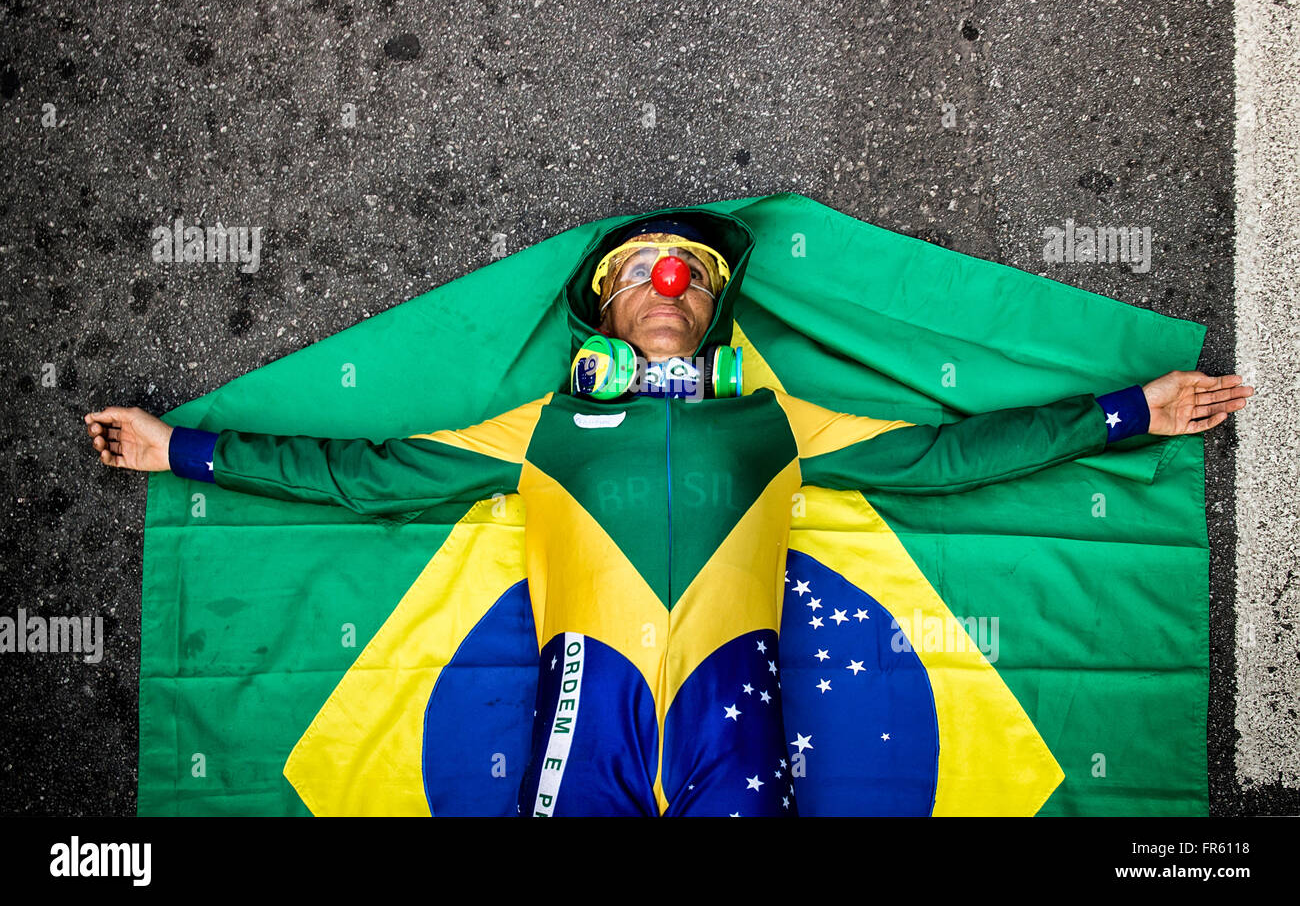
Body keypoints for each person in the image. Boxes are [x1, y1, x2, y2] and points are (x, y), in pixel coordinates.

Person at [85, 210, 1255, 817]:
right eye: (644, 268)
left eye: (690, 271)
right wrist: (175, 449)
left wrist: (1125, 412)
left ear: (711, 306)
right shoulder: (534, 430)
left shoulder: (783, 428)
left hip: (732, 734)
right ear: (604, 304)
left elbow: (949, 459)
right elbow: (360, 475)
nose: (667, 282)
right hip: (584, 734)